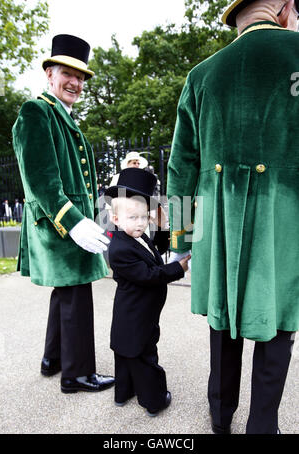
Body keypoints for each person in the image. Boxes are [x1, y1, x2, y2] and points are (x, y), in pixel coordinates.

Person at [167, 0, 298, 434]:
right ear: (284, 6)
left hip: (217, 224)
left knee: (222, 324)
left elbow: (181, 166)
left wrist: (182, 239)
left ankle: (220, 416)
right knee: (278, 324)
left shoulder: (201, 74)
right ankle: (263, 425)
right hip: (285, 219)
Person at [12, 34, 114, 394]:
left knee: (65, 291)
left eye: (81, 76)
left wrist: (96, 218)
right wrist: (73, 223)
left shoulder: (63, 117)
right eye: (67, 73)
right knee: (76, 293)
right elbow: (41, 180)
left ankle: (53, 358)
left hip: (70, 222)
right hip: (60, 224)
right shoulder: (36, 111)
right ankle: (77, 374)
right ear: (49, 74)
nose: (75, 82)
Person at [105, 168, 190, 416]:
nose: (141, 223)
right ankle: (155, 400)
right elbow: (149, 275)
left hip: (135, 312)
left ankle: (124, 392)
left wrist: (162, 226)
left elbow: (157, 249)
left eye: (144, 217)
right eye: (133, 218)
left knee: (125, 352)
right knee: (143, 356)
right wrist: (178, 268)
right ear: (116, 219)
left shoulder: (135, 236)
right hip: (136, 315)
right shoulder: (120, 248)